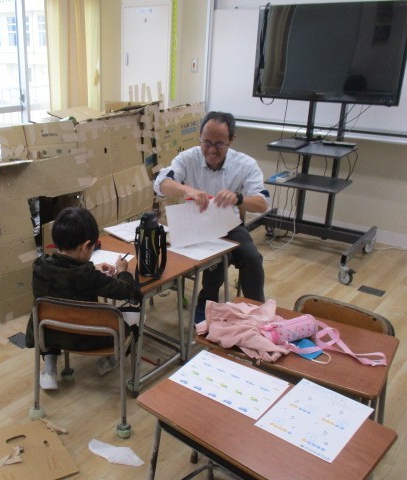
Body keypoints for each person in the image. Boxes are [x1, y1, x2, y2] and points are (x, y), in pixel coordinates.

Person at [153, 111, 268, 323]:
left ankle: (256, 309)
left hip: (229, 226)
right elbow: (160, 184)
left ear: (231, 140)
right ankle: (206, 303)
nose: (212, 150)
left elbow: (262, 203)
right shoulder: (188, 158)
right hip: (193, 225)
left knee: (252, 258)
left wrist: (238, 198)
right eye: (206, 142)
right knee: (215, 261)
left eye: (219, 144)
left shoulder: (245, 164)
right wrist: (187, 189)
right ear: (200, 136)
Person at [25, 206, 137, 390]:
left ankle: (50, 369)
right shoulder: (88, 276)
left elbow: (66, 276)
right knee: (132, 321)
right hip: (87, 338)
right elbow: (126, 290)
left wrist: (92, 268)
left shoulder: (39, 266)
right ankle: (110, 360)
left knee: (50, 311)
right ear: (85, 246)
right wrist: (123, 271)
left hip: (49, 334)